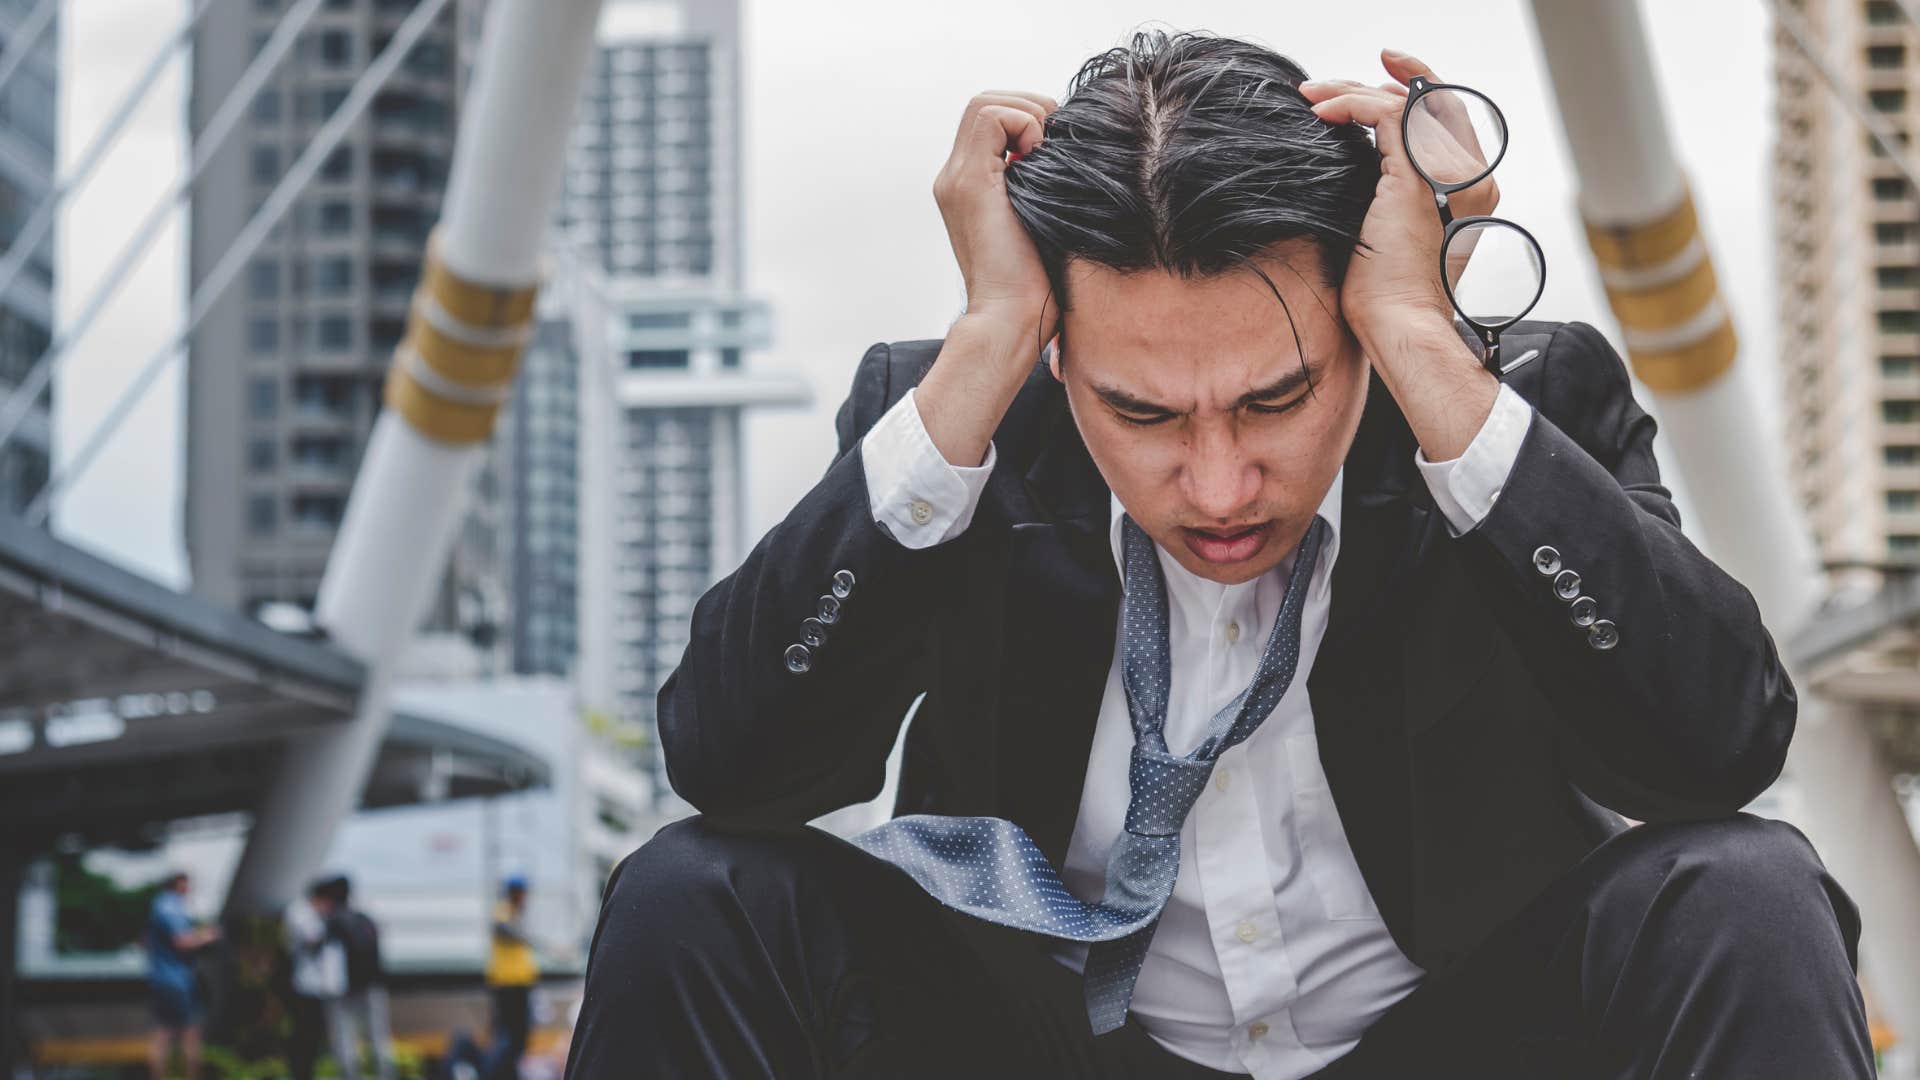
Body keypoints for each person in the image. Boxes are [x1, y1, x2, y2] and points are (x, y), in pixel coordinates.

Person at [565, 30, 1874, 1080]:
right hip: (1053, 1048)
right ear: (1063, 352)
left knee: (1747, 891)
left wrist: (1420, 334)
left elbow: (1718, 750)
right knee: (691, 891)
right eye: (1142, 413)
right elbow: (733, 765)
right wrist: (987, 342)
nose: (1219, 484)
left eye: (1276, 398)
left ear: (1355, 325)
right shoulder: (970, 417)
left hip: (1456, 1037)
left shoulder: (1502, 402)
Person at [144, 871, 218, 1080]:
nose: (190, 890)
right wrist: (207, 935)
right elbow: (182, 941)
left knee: (163, 1032)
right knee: (190, 1033)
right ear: (178, 885)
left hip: (162, 977)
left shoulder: (159, 905)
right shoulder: (170, 906)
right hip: (176, 979)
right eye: (187, 885)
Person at [324, 875, 397, 1080]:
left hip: (345, 988)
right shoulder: (365, 918)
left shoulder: (333, 921)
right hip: (373, 985)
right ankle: (385, 1074)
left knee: (345, 1037)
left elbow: (328, 957)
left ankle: (350, 1075)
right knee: (378, 1036)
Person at [284, 877, 348, 1080]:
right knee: (304, 1035)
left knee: (315, 1037)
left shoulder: (321, 916)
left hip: (323, 987)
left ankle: (307, 1071)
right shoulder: (299, 912)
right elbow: (311, 941)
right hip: (305, 985)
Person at [481, 874, 539, 1080]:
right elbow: (505, 931)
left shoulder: (516, 914)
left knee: (519, 1039)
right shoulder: (503, 912)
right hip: (508, 986)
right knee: (508, 1039)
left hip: (520, 985)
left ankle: (509, 1074)